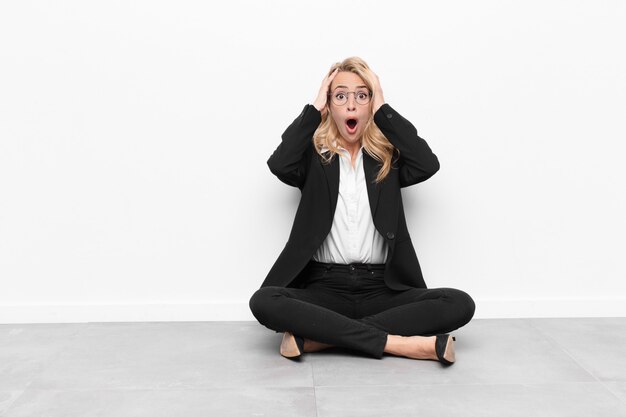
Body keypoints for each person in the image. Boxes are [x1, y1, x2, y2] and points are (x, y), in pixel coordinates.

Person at [249, 57, 475, 365]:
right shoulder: (315, 159)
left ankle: (317, 340)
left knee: (459, 303)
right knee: (264, 301)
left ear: (370, 104)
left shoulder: (387, 161)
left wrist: (383, 108)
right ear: (331, 106)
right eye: (340, 96)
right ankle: (404, 345)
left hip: (382, 289)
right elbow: (280, 163)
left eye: (362, 96)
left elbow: (427, 163)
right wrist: (314, 108)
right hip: (323, 289)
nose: (351, 106)